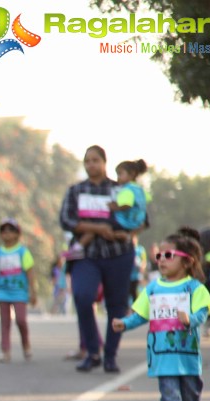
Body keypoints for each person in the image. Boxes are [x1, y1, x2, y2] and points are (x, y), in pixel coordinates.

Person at [112, 232, 210, 401]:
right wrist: (125, 323)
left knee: (190, 391)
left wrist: (190, 320)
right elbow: (141, 315)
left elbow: (203, 313)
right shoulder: (153, 289)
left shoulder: (194, 288)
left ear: (187, 261)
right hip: (161, 353)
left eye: (169, 255)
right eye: (159, 256)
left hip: (187, 353)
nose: (162, 260)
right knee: (168, 391)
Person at [60, 145, 136, 374]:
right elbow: (66, 219)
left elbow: (136, 217)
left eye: (95, 160)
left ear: (104, 162)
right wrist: (96, 227)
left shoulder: (119, 190)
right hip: (86, 255)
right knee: (82, 296)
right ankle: (92, 351)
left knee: (116, 305)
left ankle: (110, 356)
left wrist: (111, 228)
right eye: (87, 161)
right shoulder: (76, 191)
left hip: (118, 253)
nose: (91, 164)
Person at [0, 218, 36, 362]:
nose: (6, 233)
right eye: (3, 231)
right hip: (3, 292)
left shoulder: (22, 252)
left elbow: (30, 273)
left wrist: (33, 292)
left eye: (10, 230)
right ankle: (5, 351)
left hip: (19, 292)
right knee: (4, 322)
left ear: (17, 234)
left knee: (20, 320)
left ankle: (26, 344)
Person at [73, 158, 148, 255]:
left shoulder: (127, 190)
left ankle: (78, 247)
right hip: (135, 221)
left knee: (95, 224)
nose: (118, 178)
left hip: (124, 221)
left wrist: (114, 207)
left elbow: (127, 205)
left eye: (120, 174)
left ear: (132, 174)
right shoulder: (139, 190)